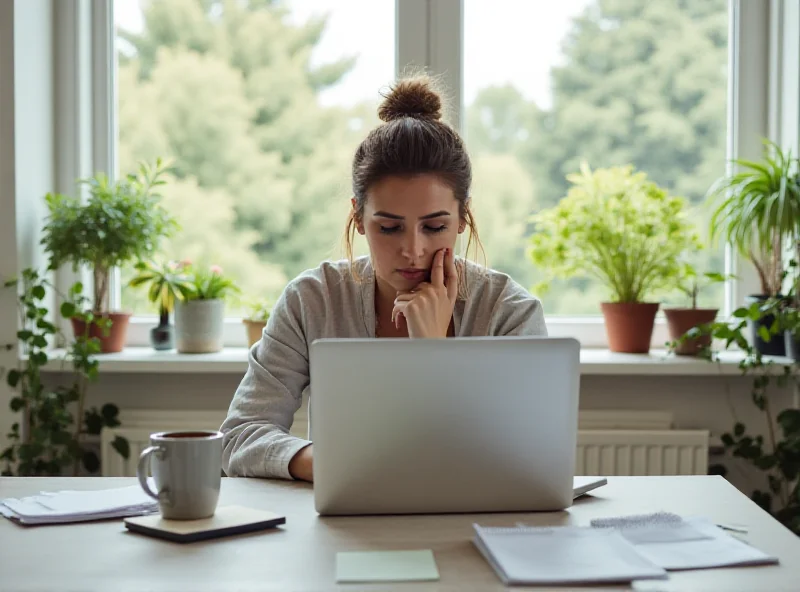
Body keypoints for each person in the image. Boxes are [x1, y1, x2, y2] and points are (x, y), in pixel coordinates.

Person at [220, 75, 548, 482]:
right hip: (345, 524)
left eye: (434, 227)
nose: (413, 250)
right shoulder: (312, 300)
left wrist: (433, 353)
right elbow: (238, 436)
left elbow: (524, 454)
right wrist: (330, 463)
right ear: (358, 217)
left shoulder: (509, 312)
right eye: (390, 228)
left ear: (462, 218)